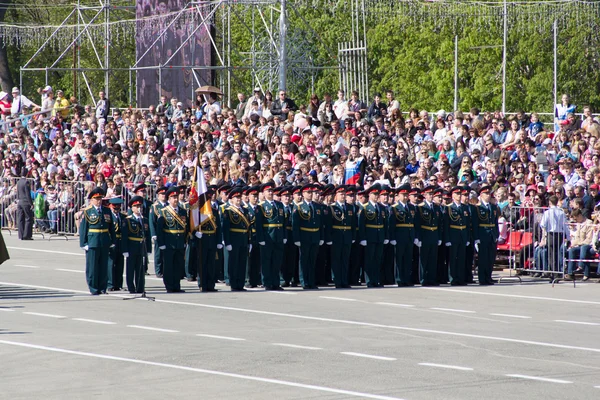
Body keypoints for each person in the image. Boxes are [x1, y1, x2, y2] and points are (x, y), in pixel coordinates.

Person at [79, 187, 116, 295]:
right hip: (93, 242)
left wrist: (112, 240)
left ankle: (102, 287)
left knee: (103, 266)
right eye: (96, 199)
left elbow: (111, 228)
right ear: (91, 200)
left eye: (100, 198)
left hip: (104, 241)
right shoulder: (87, 212)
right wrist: (83, 243)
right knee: (92, 267)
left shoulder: (106, 210)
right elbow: (83, 229)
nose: (99, 201)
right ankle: (93, 288)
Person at [156, 186, 190, 293]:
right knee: (169, 266)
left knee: (178, 265)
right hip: (169, 242)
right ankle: (169, 286)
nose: (175, 199)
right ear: (169, 199)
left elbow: (186, 227)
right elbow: (159, 229)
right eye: (173, 197)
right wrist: (161, 243)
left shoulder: (183, 211)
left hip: (180, 243)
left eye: (176, 197)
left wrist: (185, 241)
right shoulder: (164, 211)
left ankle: (177, 285)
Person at [256, 181, 287, 291]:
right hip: (268, 235)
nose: (270, 192)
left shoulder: (279, 204)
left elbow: (283, 221)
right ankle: (267, 282)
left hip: (278, 236)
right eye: (268, 191)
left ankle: (276, 282)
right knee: (266, 260)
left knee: (277, 261)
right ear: (263, 193)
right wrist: (260, 238)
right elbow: (258, 224)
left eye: (271, 191)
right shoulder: (261, 206)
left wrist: (284, 235)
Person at [292, 184, 323, 290]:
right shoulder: (299, 206)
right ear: (303, 194)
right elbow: (295, 224)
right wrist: (296, 238)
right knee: (304, 260)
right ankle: (304, 281)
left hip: (315, 236)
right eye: (308, 192)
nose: (310, 194)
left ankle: (311, 281)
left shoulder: (317, 206)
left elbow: (321, 224)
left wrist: (321, 237)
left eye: (311, 192)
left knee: (312, 260)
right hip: (304, 236)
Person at [358, 183, 388, 287]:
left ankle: (376, 280)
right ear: (370, 195)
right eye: (374, 194)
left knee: (377, 259)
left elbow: (385, 224)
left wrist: (385, 236)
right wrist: (362, 238)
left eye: (377, 194)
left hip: (379, 237)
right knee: (369, 259)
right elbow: (361, 224)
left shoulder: (381, 208)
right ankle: (369, 280)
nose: (376, 196)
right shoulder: (365, 208)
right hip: (369, 237)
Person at [325, 185, 355, 289]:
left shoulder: (350, 207)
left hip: (347, 236)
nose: (343, 195)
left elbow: (353, 224)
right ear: (336, 196)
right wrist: (329, 238)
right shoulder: (332, 208)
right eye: (340, 194)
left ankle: (344, 280)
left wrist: (353, 236)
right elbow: (328, 225)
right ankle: (337, 280)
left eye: (344, 194)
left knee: (345, 259)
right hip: (336, 236)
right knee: (336, 259)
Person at [222, 186, 251, 291]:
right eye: (236, 197)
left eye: (239, 197)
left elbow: (248, 227)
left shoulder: (245, 211)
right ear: (232, 199)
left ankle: (241, 283)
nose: (238, 199)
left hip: (243, 239)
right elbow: (225, 228)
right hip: (234, 240)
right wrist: (227, 242)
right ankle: (234, 284)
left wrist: (249, 241)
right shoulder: (228, 211)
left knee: (242, 262)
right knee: (234, 263)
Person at [389, 184, 417, 287]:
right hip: (399, 236)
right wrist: (392, 237)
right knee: (399, 259)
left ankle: (406, 278)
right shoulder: (395, 208)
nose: (405, 197)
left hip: (409, 236)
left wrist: (415, 236)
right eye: (403, 195)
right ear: (398, 196)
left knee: (408, 258)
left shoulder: (411, 207)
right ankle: (399, 278)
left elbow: (415, 223)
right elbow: (391, 224)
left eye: (406, 195)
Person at [122, 196, 151, 294]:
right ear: (132, 208)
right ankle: (131, 287)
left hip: (141, 246)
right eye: (136, 206)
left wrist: (149, 248)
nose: (139, 208)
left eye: (140, 206)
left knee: (140, 268)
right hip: (131, 246)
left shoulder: (145, 220)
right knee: (131, 268)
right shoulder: (128, 220)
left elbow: (147, 235)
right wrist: (125, 249)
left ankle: (140, 287)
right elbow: (125, 236)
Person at [473, 185, 500, 285]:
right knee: (483, 258)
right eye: (486, 194)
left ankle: (488, 276)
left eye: (489, 194)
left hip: (492, 235)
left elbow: (495, 222)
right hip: (482, 235)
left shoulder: (493, 207)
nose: (488, 195)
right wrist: (476, 238)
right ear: (481, 195)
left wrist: (496, 234)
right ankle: (482, 278)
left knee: (490, 258)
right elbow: (476, 224)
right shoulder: (478, 208)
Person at [444, 186, 469, 286]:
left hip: (462, 235)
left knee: (461, 258)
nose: (459, 196)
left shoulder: (464, 207)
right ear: (453, 195)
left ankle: (460, 278)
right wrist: (447, 238)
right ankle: (453, 278)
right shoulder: (449, 208)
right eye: (457, 194)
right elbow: (446, 225)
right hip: (453, 235)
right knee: (453, 258)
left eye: (460, 194)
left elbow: (467, 224)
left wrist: (467, 237)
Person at [564, 209, 593, 281]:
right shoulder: (579, 224)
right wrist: (572, 244)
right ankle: (570, 273)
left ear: (580, 215)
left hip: (588, 244)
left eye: (576, 218)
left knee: (584, 248)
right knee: (572, 250)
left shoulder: (589, 223)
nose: (575, 220)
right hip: (580, 244)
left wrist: (580, 243)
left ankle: (581, 267)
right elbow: (577, 237)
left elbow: (589, 238)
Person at [107, 197, 126, 291]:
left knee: (120, 263)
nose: (117, 209)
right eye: (115, 207)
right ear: (110, 206)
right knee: (110, 263)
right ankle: (110, 284)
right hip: (112, 242)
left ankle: (118, 284)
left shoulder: (123, 217)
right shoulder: (108, 216)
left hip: (120, 242)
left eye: (118, 207)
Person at [149, 186, 168, 277]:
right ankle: (158, 270)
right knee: (158, 253)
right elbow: (151, 221)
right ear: (158, 195)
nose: (163, 196)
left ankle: (165, 269)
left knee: (166, 253)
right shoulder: (155, 206)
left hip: (167, 232)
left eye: (165, 194)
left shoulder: (168, 205)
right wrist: (153, 234)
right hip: (158, 233)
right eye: (162, 194)